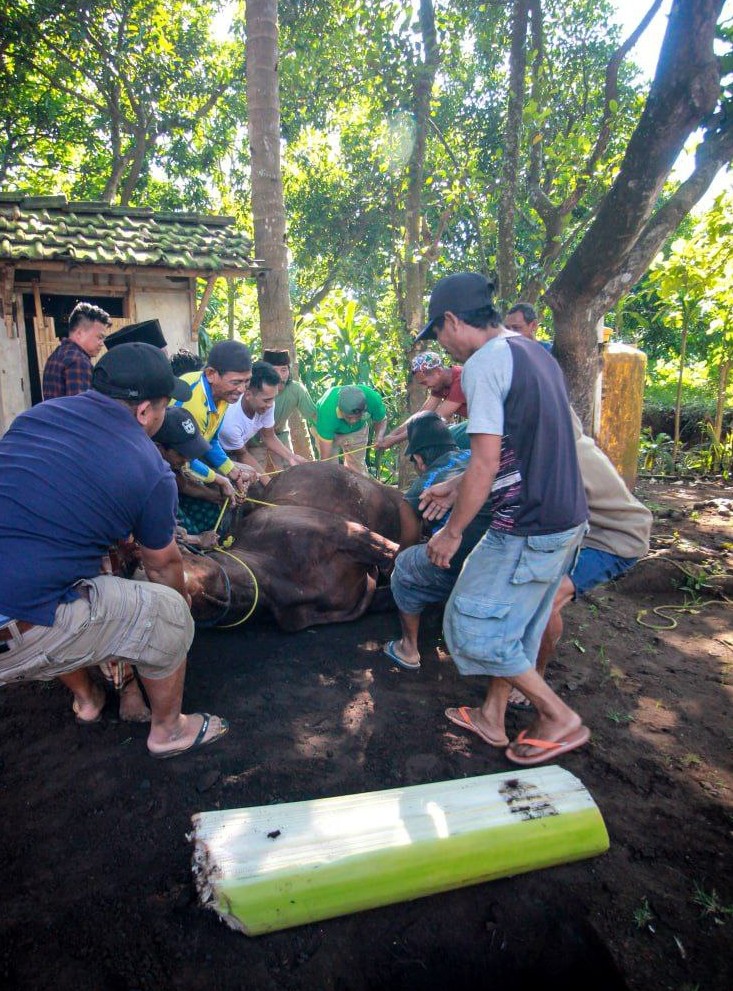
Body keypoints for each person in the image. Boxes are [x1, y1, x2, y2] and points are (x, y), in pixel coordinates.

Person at [0, 342, 228, 758]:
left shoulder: (35, 417)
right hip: (17, 624)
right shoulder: (149, 467)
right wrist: (177, 636)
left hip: (14, 594)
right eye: (162, 406)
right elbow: (162, 567)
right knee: (169, 612)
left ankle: (88, 700)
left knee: (56, 579)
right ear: (145, 411)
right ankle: (170, 731)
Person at [414, 272, 589, 767]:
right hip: (566, 518)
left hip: (526, 524)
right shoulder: (534, 353)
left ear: (451, 321)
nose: (443, 347)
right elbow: (518, 447)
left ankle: (557, 716)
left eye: (438, 334)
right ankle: (492, 716)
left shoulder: (484, 365)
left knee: (470, 626)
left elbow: (488, 461)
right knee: (519, 626)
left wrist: (451, 533)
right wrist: (456, 483)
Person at [383, 413, 491, 671]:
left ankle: (409, 647)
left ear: (419, 459)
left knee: (405, 567)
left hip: (463, 564)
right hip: (500, 554)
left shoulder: (418, 490)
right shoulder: (478, 461)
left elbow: (407, 545)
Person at [173, 339, 256, 495]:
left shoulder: (222, 395)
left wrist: (233, 472)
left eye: (247, 381)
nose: (242, 389)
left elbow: (211, 440)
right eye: (236, 382)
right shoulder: (193, 405)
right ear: (211, 374)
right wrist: (221, 479)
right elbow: (183, 461)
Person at [153, 407, 238, 543]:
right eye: (181, 454)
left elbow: (183, 485)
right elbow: (153, 526)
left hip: (171, 493)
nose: (186, 460)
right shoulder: (150, 476)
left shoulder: (170, 462)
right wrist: (197, 540)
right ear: (159, 448)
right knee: (188, 529)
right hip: (154, 514)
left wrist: (216, 497)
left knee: (212, 512)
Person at [219, 361, 308, 482]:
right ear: (248, 394)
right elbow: (242, 455)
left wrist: (291, 457)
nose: (271, 405)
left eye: (273, 399)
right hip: (219, 455)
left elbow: (268, 436)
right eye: (266, 400)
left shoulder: (266, 404)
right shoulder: (230, 423)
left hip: (238, 451)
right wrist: (269, 485)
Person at [376, 352, 468, 450]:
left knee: (440, 441)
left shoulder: (461, 379)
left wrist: (395, 440)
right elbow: (422, 415)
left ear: (438, 371)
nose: (427, 387)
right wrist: (392, 435)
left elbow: (433, 421)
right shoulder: (440, 384)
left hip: (484, 425)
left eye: (425, 382)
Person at [246, 349, 317, 471]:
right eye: (274, 370)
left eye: (284, 370)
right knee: (255, 476)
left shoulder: (296, 389)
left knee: (290, 470)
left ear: (289, 370)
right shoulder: (250, 389)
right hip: (253, 440)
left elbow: (314, 416)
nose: (279, 376)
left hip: (279, 435)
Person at [41, 301, 111, 399]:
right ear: (80, 333)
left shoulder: (55, 355)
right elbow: (80, 409)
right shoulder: (79, 361)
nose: (102, 343)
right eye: (99, 337)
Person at [314, 384, 387, 474]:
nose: (353, 421)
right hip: (329, 433)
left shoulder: (372, 399)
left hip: (358, 430)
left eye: (357, 417)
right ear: (340, 410)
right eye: (348, 417)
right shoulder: (327, 410)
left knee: (357, 470)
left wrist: (379, 436)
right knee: (330, 469)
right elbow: (325, 459)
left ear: (365, 409)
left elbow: (381, 420)